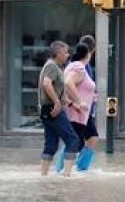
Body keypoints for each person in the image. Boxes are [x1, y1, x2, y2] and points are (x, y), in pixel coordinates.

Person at [39, 41, 80, 177]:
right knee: (73, 140)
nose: (68, 55)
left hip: (46, 109)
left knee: (51, 144)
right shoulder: (52, 66)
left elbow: (58, 92)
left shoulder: (53, 66)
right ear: (58, 53)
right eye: (66, 52)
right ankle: (66, 176)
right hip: (52, 108)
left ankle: (43, 176)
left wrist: (72, 104)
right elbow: (46, 83)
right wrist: (57, 102)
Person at [55, 43, 96, 173]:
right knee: (73, 143)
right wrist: (80, 101)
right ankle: (60, 170)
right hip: (77, 112)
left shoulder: (74, 66)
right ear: (88, 54)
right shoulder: (78, 67)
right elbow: (68, 83)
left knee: (92, 138)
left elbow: (78, 86)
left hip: (83, 114)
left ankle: (81, 169)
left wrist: (91, 96)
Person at [77, 35, 99, 170]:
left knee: (76, 141)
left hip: (84, 110)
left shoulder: (85, 65)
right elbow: (70, 84)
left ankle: (71, 168)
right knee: (91, 139)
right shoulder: (80, 66)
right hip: (81, 110)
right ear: (93, 50)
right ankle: (80, 168)